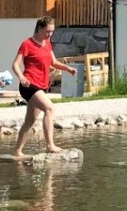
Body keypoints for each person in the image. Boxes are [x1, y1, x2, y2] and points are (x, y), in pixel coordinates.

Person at [13, 17, 78, 156]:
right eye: (48, 31)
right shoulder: (27, 44)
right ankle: (50, 146)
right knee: (49, 108)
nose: (50, 34)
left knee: (29, 121)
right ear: (39, 28)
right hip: (29, 85)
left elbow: (53, 62)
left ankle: (17, 151)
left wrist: (67, 68)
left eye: (52, 31)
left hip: (41, 86)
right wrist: (21, 77)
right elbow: (15, 64)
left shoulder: (47, 44)